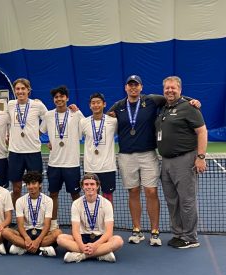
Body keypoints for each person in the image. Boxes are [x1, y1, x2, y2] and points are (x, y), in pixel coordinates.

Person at [108, 75, 200, 246]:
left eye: (136, 85)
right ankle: (137, 230)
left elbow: (172, 97)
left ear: (141, 87)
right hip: (126, 156)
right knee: (133, 192)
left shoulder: (152, 100)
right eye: (130, 85)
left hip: (148, 155)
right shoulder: (119, 106)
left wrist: (191, 100)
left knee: (151, 192)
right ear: (126, 88)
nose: (133, 88)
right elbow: (103, 117)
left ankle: (155, 232)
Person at [156, 76, 207, 249]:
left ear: (180, 89)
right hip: (166, 162)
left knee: (187, 200)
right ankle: (178, 234)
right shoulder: (163, 108)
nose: (170, 91)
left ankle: (190, 237)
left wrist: (200, 157)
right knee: (172, 201)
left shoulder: (189, 108)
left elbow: (202, 132)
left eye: (173, 88)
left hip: (185, 160)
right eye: (167, 88)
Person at [39, 86, 84, 229]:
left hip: (72, 163)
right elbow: (39, 132)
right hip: (54, 163)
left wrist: (79, 111)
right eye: (56, 97)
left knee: (75, 195)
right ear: (54, 99)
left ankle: (79, 223)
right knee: (53, 194)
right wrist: (48, 141)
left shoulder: (76, 114)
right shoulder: (48, 115)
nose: (59, 99)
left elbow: (85, 130)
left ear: (67, 98)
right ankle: (53, 223)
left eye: (62, 96)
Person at [57, 173, 124, 263]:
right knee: (60, 239)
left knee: (118, 241)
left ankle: (82, 256)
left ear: (97, 186)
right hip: (82, 238)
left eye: (92, 184)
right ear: (82, 186)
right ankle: (101, 254)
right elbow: (75, 231)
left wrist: (95, 245)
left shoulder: (107, 204)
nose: (89, 187)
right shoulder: (76, 204)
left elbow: (109, 232)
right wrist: (81, 245)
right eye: (86, 184)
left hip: (100, 238)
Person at [1, 171, 62, 257]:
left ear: (40, 184)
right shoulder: (20, 201)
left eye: (34, 183)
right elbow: (20, 224)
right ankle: (41, 249)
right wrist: (26, 238)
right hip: (25, 233)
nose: (31, 187)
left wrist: (38, 240)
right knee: (5, 232)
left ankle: (24, 248)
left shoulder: (48, 200)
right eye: (28, 184)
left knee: (58, 233)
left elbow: (47, 225)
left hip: (42, 234)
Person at [8, 78, 48, 204]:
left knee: (35, 188)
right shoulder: (10, 104)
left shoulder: (38, 105)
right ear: (14, 91)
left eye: (23, 89)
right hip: (15, 153)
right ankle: (17, 217)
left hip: (33, 152)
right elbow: (4, 119)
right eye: (18, 89)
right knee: (16, 188)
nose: (20, 91)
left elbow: (48, 119)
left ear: (28, 90)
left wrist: (40, 132)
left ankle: (37, 215)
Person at [80, 93, 118, 202]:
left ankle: (109, 219)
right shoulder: (83, 122)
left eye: (98, 103)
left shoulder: (113, 121)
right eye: (93, 103)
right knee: (91, 197)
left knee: (108, 198)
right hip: (90, 168)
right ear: (89, 105)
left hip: (108, 167)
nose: (96, 105)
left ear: (104, 104)